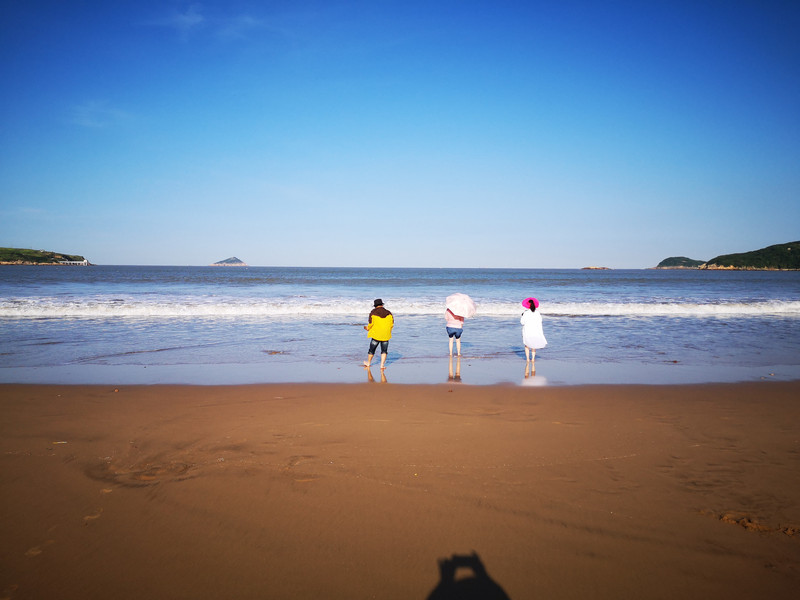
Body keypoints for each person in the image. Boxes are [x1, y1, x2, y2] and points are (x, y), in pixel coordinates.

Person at [363, 298, 393, 370]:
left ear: (375, 305)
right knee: (384, 351)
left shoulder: (373, 312)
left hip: (376, 334)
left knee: (371, 350)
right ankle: (382, 365)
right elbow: (391, 324)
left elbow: (371, 324)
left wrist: (367, 328)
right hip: (386, 334)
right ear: (382, 305)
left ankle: (369, 363)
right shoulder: (389, 313)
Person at [520, 297, 547, 362]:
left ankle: (527, 359)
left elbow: (522, 322)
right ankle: (533, 359)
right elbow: (540, 321)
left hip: (527, 330)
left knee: (527, 345)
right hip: (535, 330)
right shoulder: (537, 313)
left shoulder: (526, 313)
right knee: (533, 345)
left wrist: (522, 315)